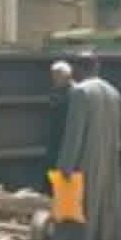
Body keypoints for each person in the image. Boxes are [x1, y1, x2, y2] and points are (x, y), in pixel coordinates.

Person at [53, 54, 121, 240]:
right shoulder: (114, 92)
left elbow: (74, 134)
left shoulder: (81, 92)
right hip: (108, 161)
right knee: (102, 210)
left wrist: (65, 167)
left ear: (76, 70)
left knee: (73, 214)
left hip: (83, 161)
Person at [44, 61, 74, 191]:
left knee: (65, 186)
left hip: (67, 142)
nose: (54, 79)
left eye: (56, 76)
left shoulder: (75, 93)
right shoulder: (57, 92)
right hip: (55, 142)